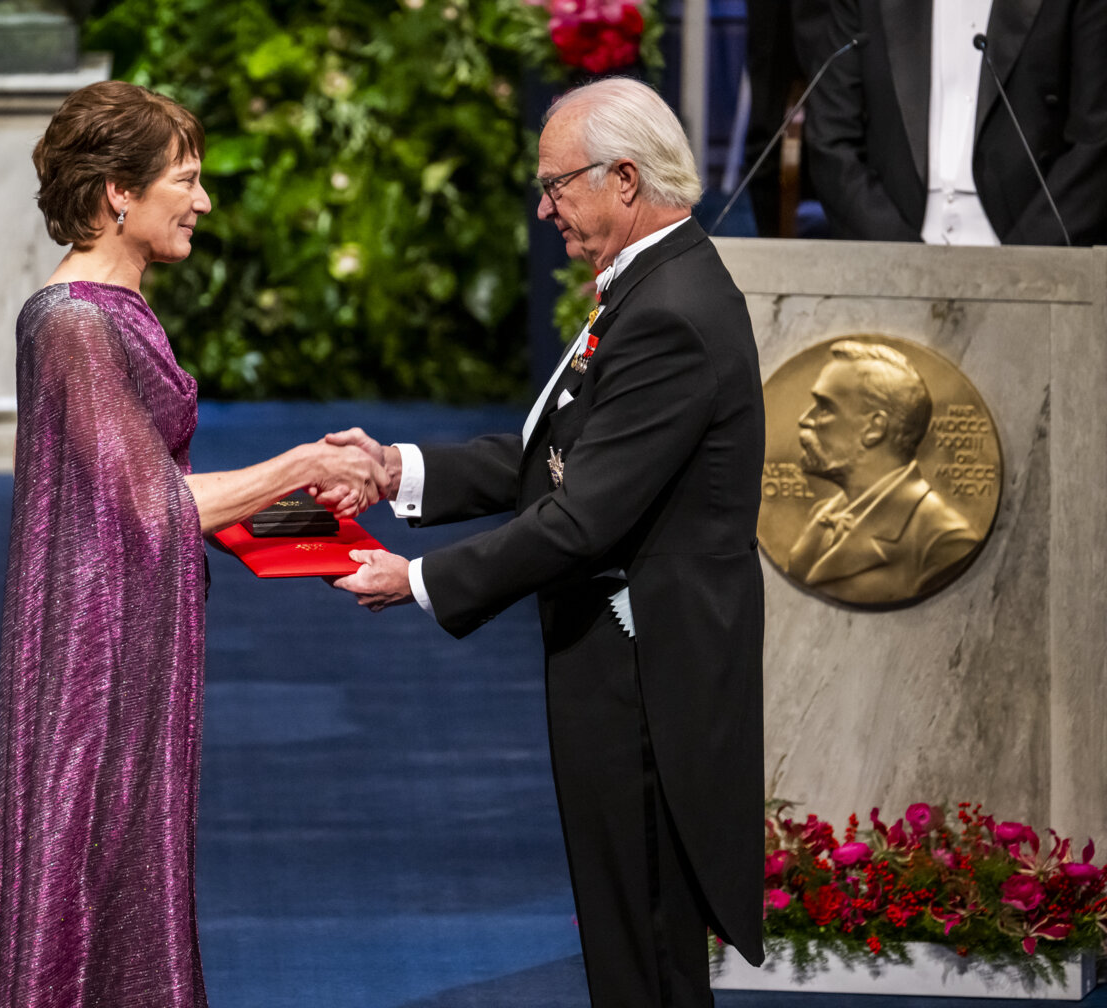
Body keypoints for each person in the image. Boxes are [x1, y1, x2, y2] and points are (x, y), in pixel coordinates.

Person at [326, 77, 765, 1008]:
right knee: (623, 938)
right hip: (616, 662)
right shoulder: (651, 282)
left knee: (646, 944)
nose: (545, 207)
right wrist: (394, 470)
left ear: (624, 179)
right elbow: (551, 456)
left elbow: (583, 518)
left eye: (558, 184)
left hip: (649, 680)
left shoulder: (671, 312)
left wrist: (420, 581)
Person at [0, 81, 386, 1008]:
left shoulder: (113, 312)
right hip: (97, 656)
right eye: (185, 181)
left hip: (133, 630)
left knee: (126, 857)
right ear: (119, 190)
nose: (203, 201)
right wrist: (306, 462)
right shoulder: (74, 321)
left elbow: (154, 488)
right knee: (93, 856)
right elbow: (153, 504)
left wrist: (322, 538)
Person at [799, 0, 1107, 245]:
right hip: (892, 247)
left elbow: (1095, 142)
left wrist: (1022, 260)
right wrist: (895, 253)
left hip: (1031, 252)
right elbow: (831, 136)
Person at [786, 340, 979, 605]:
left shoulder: (944, 542)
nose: (805, 419)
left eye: (825, 407)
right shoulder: (822, 517)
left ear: (874, 428)